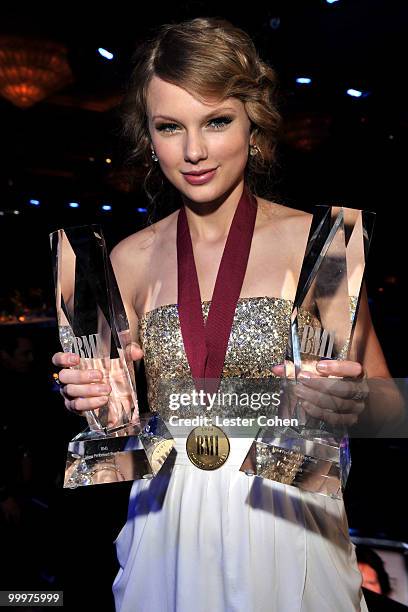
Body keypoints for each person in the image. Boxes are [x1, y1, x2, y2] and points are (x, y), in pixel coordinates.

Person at [51, 17, 404, 612]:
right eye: (170, 127)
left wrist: (358, 402)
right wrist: (85, 394)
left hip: (288, 517)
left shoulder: (323, 246)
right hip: (169, 524)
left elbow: (392, 409)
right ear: (149, 135)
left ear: (253, 123)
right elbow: (117, 418)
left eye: (216, 121)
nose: (193, 151)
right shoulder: (128, 259)